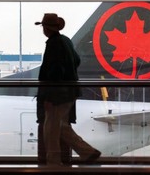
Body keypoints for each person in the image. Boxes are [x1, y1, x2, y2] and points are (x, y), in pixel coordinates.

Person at [35, 13, 101, 166]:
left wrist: (49, 97)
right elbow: (76, 60)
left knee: (51, 130)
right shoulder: (65, 41)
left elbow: (54, 73)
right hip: (70, 92)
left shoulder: (53, 44)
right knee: (60, 125)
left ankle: (54, 163)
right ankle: (87, 152)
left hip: (58, 95)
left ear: (46, 28)